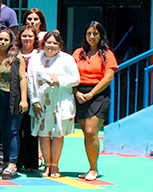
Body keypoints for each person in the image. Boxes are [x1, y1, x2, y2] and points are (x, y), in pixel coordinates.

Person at [27, 31, 80, 178]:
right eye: (48, 42)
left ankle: (55, 166)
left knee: (58, 134)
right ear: (43, 44)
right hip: (42, 102)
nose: (51, 46)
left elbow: (76, 79)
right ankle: (47, 165)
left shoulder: (67, 59)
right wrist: (34, 100)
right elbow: (31, 81)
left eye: (54, 43)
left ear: (59, 45)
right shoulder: (35, 59)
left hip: (60, 102)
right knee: (43, 134)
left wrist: (60, 81)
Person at [73, 22, 117, 181]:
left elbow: (108, 77)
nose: (92, 37)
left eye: (95, 34)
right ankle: (90, 166)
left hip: (99, 94)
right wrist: (76, 92)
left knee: (92, 132)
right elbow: (70, 75)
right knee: (87, 134)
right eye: (89, 33)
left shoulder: (107, 54)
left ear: (101, 35)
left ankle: (93, 168)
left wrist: (91, 93)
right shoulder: (78, 53)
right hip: (80, 95)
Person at [0, 27, 28, 180]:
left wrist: (24, 99)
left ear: (10, 42)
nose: (3, 42)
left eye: (6, 39)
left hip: (14, 98)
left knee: (12, 131)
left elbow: (22, 79)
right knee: (2, 130)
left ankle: (13, 163)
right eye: (0, 39)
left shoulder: (16, 57)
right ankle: (5, 160)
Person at [17, 24, 41, 172]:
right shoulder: (15, 53)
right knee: (17, 129)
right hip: (18, 95)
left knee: (32, 129)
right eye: (24, 36)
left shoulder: (40, 55)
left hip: (34, 94)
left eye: (30, 36)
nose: (27, 39)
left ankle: (32, 163)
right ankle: (18, 161)